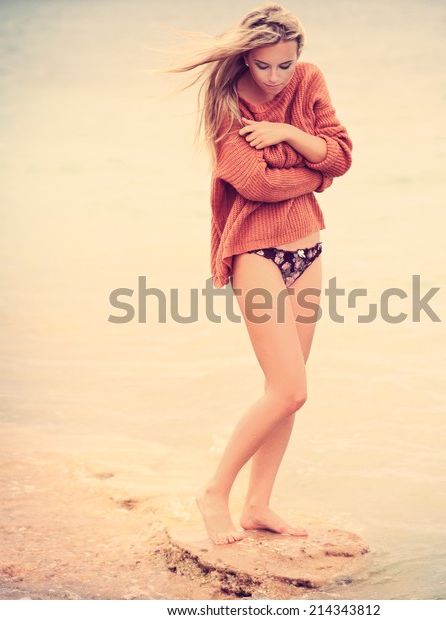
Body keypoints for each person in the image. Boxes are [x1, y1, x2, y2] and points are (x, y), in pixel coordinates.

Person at [161, 3, 352, 545]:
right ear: (245, 58)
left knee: (289, 389)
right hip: (256, 253)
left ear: (299, 58)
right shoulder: (225, 102)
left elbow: (341, 156)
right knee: (289, 390)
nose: (273, 77)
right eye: (262, 66)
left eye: (284, 65)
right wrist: (315, 174)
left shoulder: (309, 82)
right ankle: (214, 493)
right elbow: (256, 185)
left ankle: (259, 504)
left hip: (308, 250)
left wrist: (288, 132)